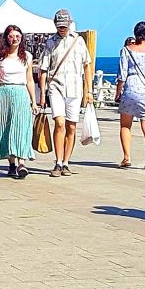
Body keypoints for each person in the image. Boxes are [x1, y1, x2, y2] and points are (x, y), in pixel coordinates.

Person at [39, 9, 92, 177]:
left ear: (70, 24)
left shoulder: (79, 41)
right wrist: (42, 94)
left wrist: (89, 90)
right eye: (59, 26)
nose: (62, 29)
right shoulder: (50, 43)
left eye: (64, 26)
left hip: (75, 88)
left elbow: (87, 66)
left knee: (71, 126)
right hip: (56, 87)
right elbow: (43, 69)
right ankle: (58, 161)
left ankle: (66, 162)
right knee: (59, 123)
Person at [0, 24, 38, 179]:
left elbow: (29, 80)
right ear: (6, 38)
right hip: (4, 93)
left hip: (21, 92)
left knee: (22, 126)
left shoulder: (27, 56)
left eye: (17, 36)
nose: (14, 39)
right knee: (6, 127)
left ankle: (22, 162)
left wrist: (34, 101)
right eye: (11, 36)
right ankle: (11, 163)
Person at [114, 21, 145, 170]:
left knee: (125, 125)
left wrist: (118, 92)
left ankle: (127, 157)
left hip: (131, 88)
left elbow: (121, 74)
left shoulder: (127, 50)